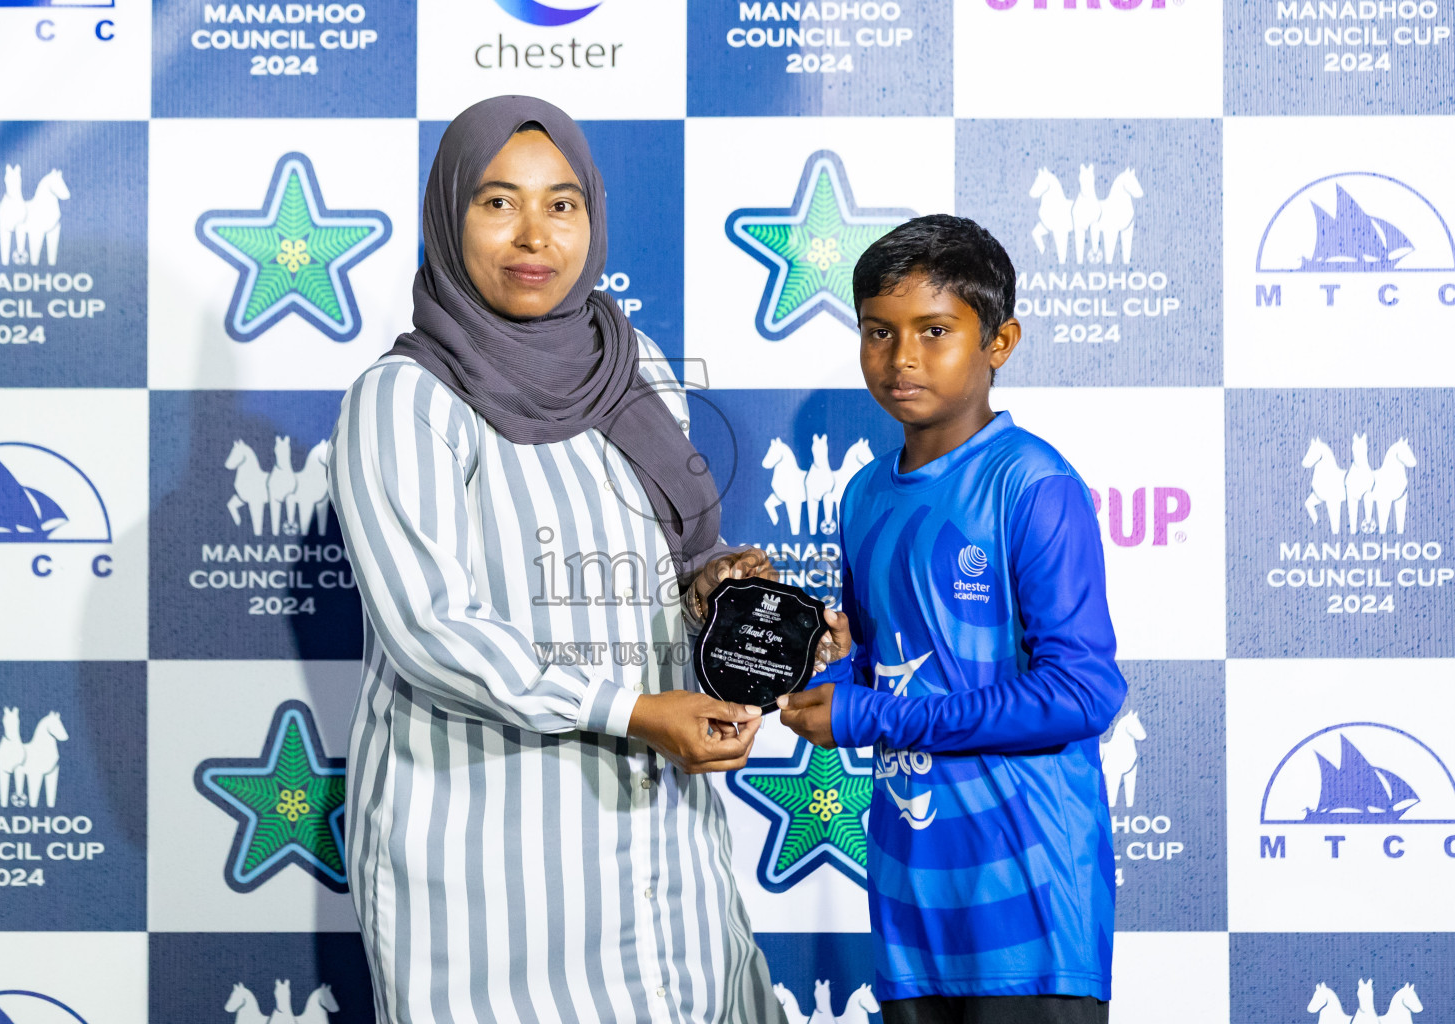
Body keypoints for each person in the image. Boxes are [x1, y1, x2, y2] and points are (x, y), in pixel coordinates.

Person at [327, 96, 799, 1023]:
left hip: (658, 845)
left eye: (563, 203)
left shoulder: (638, 369)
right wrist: (631, 709)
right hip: (491, 858)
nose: (533, 234)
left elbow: (671, 567)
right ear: (448, 216)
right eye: (497, 202)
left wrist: (723, 597)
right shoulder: (405, 400)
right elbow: (432, 627)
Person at [776, 214, 1127, 1024]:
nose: (900, 358)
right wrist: (828, 677)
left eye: (935, 331)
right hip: (911, 904)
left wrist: (871, 712)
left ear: (998, 341)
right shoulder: (864, 495)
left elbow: (1083, 694)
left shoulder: (1032, 484)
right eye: (877, 332)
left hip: (1031, 905)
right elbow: (879, 672)